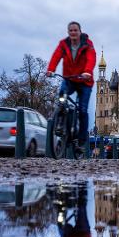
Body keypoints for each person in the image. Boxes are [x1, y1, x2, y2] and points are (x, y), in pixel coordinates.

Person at [47, 21, 96, 153]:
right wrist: (51, 69)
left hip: (84, 80)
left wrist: (87, 72)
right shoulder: (64, 44)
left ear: (80, 32)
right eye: (71, 30)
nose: (73, 32)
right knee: (62, 96)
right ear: (68, 32)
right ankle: (62, 120)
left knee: (83, 110)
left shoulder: (87, 44)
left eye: (75, 30)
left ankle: (80, 141)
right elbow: (56, 55)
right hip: (69, 78)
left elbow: (91, 58)